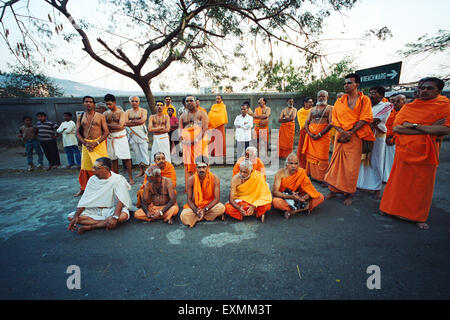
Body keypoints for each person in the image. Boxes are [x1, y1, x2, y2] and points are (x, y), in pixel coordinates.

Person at [380, 77, 450, 230]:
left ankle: (417, 216)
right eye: (422, 87)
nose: (424, 90)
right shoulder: (409, 107)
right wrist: (429, 128)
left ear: (439, 91)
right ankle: (391, 209)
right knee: (399, 183)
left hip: (427, 153)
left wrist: (415, 126)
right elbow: (398, 128)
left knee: (421, 187)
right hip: (404, 151)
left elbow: (445, 129)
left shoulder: (445, 106)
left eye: (429, 88)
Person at [324, 73, 375, 206]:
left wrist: (351, 132)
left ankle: (349, 193)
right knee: (336, 164)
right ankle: (333, 190)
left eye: (349, 83)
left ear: (357, 84)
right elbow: (334, 120)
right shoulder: (339, 101)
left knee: (351, 168)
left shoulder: (365, 100)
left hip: (355, 137)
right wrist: (342, 132)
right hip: (341, 137)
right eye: (345, 83)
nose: (346, 85)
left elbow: (365, 118)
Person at [67, 157, 132, 234]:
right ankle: (105, 223)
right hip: (95, 210)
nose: (93, 170)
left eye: (96, 168)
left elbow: (121, 200)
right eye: (93, 168)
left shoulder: (118, 179)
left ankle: (92, 226)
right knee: (71, 217)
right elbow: (85, 199)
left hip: (112, 209)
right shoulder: (92, 179)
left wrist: (115, 217)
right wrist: (76, 216)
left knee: (122, 216)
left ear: (106, 169)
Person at [357, 86, 393, 199]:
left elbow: (375, 121)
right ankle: (362, 184)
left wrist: (362, 121)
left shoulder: (387, 106)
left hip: (378, 137)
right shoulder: (366, 106)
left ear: (381, 95)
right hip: (364, 136)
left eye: (374, 93)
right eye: (370, 93)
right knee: (363, 161)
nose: (371, 95)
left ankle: (377, 188)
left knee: (377, 161)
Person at [75, 96, 109, 197]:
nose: (88, 103)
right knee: (85, 167)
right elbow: (78, 132)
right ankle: (83, 188)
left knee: (103, 166)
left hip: (98, 145)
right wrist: (85, 143)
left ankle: (104, 188)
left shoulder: (100, 116)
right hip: (86, 144)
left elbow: (106, 131)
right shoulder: (80, 116)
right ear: (83, 104)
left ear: (94, 104)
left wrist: (96, 143)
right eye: (86, 102)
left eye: (90, 102)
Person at [272, 154, 324, 219]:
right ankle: (305, 208)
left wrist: (301, 198)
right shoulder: (280, 174)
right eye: (291, 163)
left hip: (299, 196)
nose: (293, 166)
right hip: (285, 197)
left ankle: (292, 211)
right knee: (276, 202)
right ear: (286, 165)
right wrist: (291, 197)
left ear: (298, 165)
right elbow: (275, 192)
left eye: (296, 163)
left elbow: (310, 190)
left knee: (320, 197)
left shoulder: (301, 172)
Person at [180, 156, 225, 228]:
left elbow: (217, 199)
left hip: (209, 206)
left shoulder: (215, 178)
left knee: (221, 208)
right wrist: (196, 211)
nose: (202, 170)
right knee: (184, 216)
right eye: (199, 167)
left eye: (204, 167)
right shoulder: (191, 180)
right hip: (196, 207)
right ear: (196, 167)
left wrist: (205, 209)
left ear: (208, 167)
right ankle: (203, 216)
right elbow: (189, 200)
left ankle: (198, 218)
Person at [179, 95, 209, 191]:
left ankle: (203, 185)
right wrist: (183, 141)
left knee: (201, 163)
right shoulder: (182, 116)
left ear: (196, 102)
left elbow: (204, 129)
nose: (189, 103)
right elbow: (180, 130)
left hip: (199, 143)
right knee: (188, 165)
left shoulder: (202, 114)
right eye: (187, 101)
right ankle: (190, 186)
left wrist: (195, 141)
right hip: (187, 145)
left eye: (191, 100)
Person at [302, 90, 333, 183]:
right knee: (311, 157)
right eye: (319, 96)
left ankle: (322, 178)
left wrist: (320, 134)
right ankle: (312, 175)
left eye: (323, 96)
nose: (321, 98)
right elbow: (306, 123)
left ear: (327, 97)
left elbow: (331, 123)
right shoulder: (312, 109)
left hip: (323, 137)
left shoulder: (330, 108)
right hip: (311, 137)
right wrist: (310, 134)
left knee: (322, 157)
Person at [104, 93, 135, 185]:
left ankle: (130, 178)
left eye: (110, 104)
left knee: (127, 158)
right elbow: (104, 126)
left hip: (121, 137)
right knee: (113, 159)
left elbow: (120, 126)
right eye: (107, 104)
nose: (108, 106)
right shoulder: (105, 113)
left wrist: (108, 125)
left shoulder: (122, 113)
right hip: (110, 137)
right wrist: (112, 126)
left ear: (114, 102)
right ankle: (116, 177)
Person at [383, 94, 405, 183]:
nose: (395, 103)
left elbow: (404, 128)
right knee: (386, 160)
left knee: (393, 161)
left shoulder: (406, 112)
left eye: (398, 101)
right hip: (385, 138)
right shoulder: (389, 111)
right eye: (393, 101)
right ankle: (386, 177)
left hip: (397, 141)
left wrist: (393, 139)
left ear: (404, 101)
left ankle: (391, 178)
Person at [125, 96, 149, 177]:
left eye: (136, 101)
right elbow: (125, 122)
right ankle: (141, 170)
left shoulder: (143, 110)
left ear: (139, 102)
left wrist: (130, 121)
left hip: (141, 134)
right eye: (132, 101)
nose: (134, 103)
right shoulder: (127, 112)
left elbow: (143, 120)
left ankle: (146, 170)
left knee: (144, 152)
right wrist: (136, 122)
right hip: (132, 134)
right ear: (130, 102)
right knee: (137, 153)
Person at [296, 97, 313, 168]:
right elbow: (302, 124)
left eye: (312, 102)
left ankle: (310, 166)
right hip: (304, 131)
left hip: (312, 131)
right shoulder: (300, 111)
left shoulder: (313, 110)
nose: (311, 104)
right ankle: (302, 165)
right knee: (302, 149)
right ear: (305, 103)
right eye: (309, 102)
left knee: (311, 149)